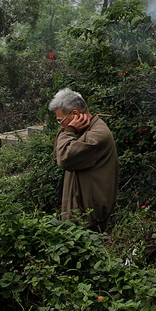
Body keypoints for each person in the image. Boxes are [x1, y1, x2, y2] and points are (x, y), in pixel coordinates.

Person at [48, 88, 118, 231]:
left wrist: (69, 131)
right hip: (80, 212)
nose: (61, 126)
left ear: (75, 115)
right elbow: (57, 156)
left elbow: (64, 157)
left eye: (61, 121)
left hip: (88, 217)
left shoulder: (97, 135)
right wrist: (68, 130)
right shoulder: (83, 130)